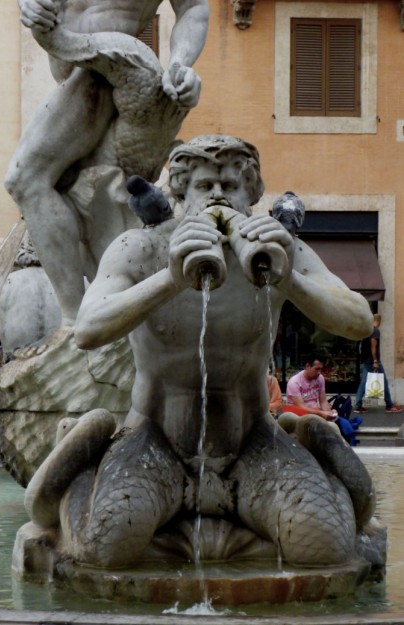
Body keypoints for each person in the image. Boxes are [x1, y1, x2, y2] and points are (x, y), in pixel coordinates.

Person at [68, 134, 373, 566]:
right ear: (180, 194)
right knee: (108, 544)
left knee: (323, 544)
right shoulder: (143, 247)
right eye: (204, 186)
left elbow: (359, 320)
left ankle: (313, 453)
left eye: (230, 187)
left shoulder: (279, 251)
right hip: (158, 440)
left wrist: (289, 280)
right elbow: (87, 328)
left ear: (251, 195)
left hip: (249, 443)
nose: (217, 196)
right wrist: (170, 279)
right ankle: (79, 472)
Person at [5, 0, 209, 327]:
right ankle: (97, 306)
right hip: (69, 74)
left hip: (105, 76)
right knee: (69, 192)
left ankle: (75, 322)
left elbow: (194, 7)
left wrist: (180, 63)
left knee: (25, 179)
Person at [353, 313, 403, 414]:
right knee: (384, 382)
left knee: (363, 383)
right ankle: (389, 406)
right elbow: (373, 346)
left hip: (366, 360)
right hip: (373, 361)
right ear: (379, 321)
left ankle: (358, 405)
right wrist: (375, 361)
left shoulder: (366, 332)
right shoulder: (375, 331)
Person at [285, 353, 338, 421]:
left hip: (315, 413)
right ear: (308, 366)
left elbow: (323, 401)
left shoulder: (320, 378)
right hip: (297, 416)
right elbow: (301, 407)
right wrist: (322, 413)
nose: (319, 372)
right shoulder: (294, 382)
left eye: (321, 369)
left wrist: (329, 414)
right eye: (317, 369)